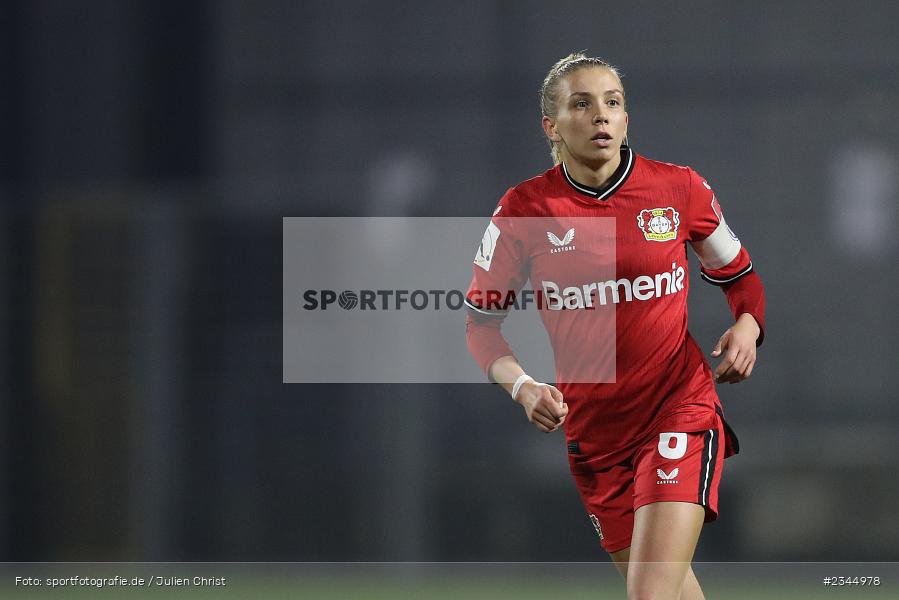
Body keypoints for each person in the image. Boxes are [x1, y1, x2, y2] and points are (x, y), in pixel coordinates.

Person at [465, 53, 765, 600]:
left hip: (678, 409)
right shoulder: (525, 210)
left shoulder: (678, 190)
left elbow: (740, 276)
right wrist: (523, 386)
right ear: (551, 127)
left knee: (648, 593)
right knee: (671, 593)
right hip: (595, 436)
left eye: (612, 102)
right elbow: (481, 326)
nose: (601, 114)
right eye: (581, 103)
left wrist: (746, 325)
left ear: (626, 120)